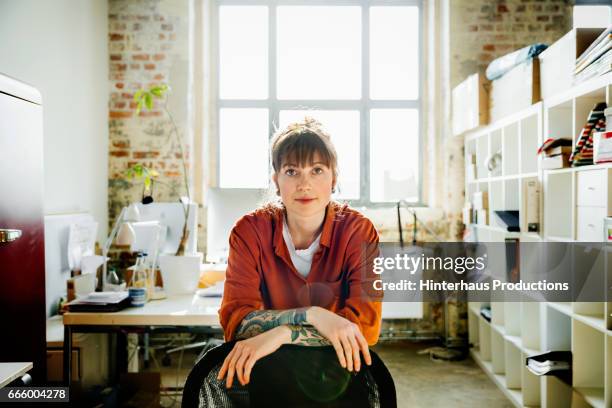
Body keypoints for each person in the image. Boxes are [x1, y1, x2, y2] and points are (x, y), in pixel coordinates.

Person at [217, 118, 382, 390]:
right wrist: (311, 315)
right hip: (267, 376)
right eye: (292, 171)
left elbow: (364, 328)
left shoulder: (358, 231)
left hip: (337, 377)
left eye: (317, 170)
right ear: (277, 181)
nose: (304, 184)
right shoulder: (249, 231)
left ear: (334, 179)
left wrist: (285, 332)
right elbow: (236, 324)